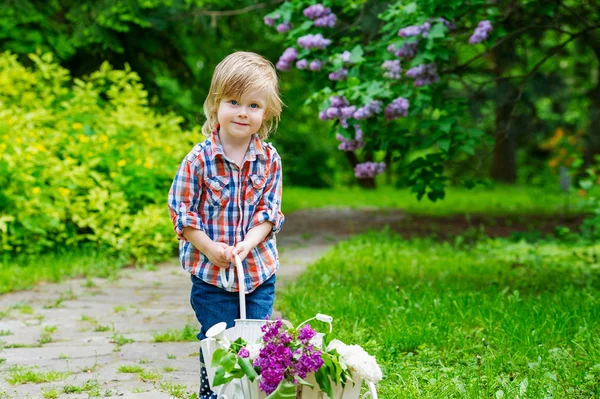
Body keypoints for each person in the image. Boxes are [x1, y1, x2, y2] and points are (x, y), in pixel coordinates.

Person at [167, 51, 285, 398]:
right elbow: (182, 212)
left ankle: (250, 393)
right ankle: (213, 394)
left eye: (253, 105)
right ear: (216, 104)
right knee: (216, 338)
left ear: (266, 113)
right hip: (211, 276)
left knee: (256, 342)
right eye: (234, 102)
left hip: (257, 271)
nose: (242, 112)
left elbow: (269, 211)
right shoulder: (199, 159)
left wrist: (249, 243)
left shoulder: (269, 159)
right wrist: (209, 247)